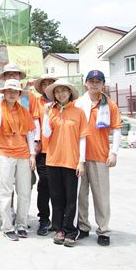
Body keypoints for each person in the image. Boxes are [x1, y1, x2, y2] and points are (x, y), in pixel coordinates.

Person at [75, 70, 122, 246]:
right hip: (79, 156)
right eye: (91, 81)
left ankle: (103, 230)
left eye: (98, 81)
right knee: (81, 194)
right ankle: (83, 227)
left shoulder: (109, 104)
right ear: (85, 83)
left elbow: (116, 129)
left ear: (103, 84)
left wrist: (114, 152)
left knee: (101, 195)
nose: (94, 84)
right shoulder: (78, 103)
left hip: (100, 155)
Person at [41, 79, 89, 247]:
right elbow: (46, 133)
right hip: (53, 160)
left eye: (64, 90)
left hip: (72, 161)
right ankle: (59, 228)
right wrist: (46, 114)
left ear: (70, 93)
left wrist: (81, 161)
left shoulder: (79, 112)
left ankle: (70, 230)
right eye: (57, 91)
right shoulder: (50, 112)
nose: (61, 93)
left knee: (71, 198)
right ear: (54, 95)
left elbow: (83, 138)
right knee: (56, 196)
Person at [0, 79, 37, 240]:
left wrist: (32, 154)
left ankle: (22, 224)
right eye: (8, 91)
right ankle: (7, 226)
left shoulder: (24, 111)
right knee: (6, 192)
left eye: (15, 91)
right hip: (5, 154)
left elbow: (30, 133)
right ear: (3, 93)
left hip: (23, 155)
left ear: (19, 94)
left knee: (24, 191)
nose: (11, 94)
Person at [32, 73, 58, 235]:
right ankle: (43, 219)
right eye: (45, 83)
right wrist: (36, 140)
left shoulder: (64, 102)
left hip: (62, 151)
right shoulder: (37, 102)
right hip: (44, 151)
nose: (47, 86)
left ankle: (58, 220)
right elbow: (36, 122)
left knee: (59, 187)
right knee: (44, 185)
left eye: (51, 83)